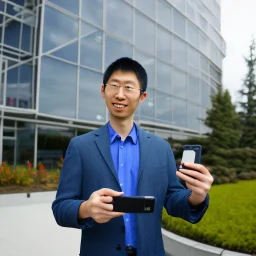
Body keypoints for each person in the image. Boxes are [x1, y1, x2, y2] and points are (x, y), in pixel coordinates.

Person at [52, 57, 213, 256]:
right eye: (114, 86)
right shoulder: (80, 147)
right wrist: (86, 208)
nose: (120, 95)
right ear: (103, 91)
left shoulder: (161, 148)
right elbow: (60, 208)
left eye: (128, 87)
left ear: (142, 96)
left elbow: (173, 199)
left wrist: (196, 197)